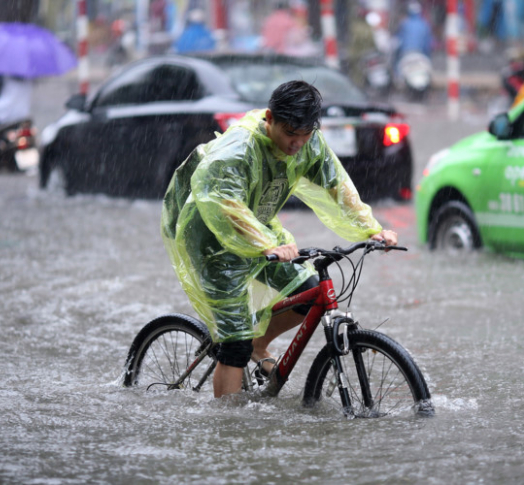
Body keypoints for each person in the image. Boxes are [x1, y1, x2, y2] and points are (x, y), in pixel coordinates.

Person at [161, 80, 398, 398]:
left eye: (304, 135)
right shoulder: (238, 150)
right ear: (269, 118)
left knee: (311, 291)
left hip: (261, 231)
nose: (296, 144)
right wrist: (265, 244)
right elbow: (223, 203)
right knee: (235, 346)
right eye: (289, 134)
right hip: (210, 240)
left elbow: (337, 186)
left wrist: (371, 229)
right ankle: (228, 432)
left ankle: (261, 343)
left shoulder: (307, 141)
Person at [394, 2, 433, 68]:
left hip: (406, 54)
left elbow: (398, 41)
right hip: (420, 55)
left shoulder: (404, 23)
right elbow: (428, 44)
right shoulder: (424, 24)